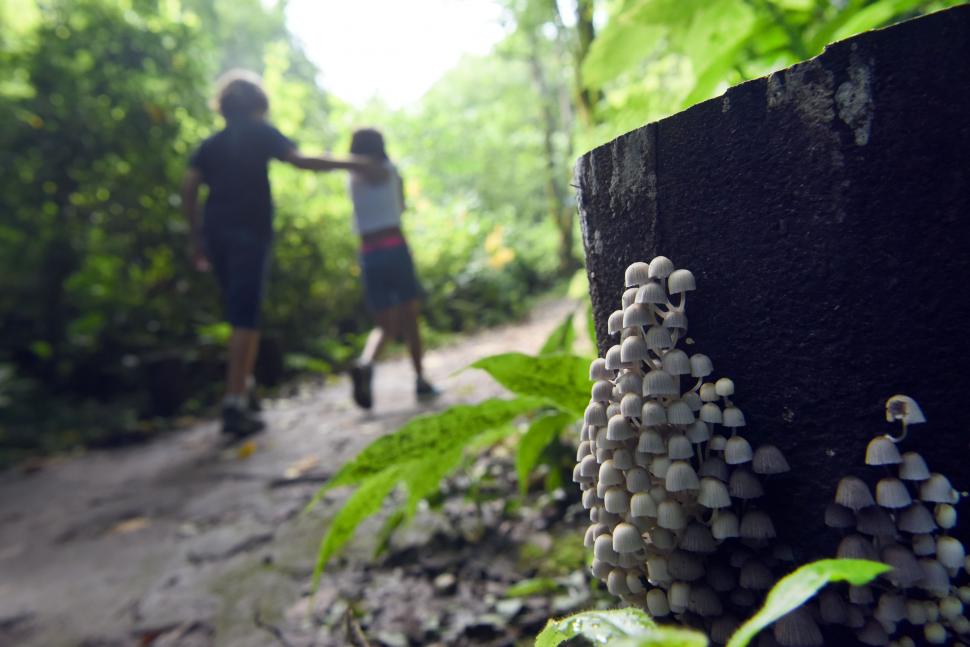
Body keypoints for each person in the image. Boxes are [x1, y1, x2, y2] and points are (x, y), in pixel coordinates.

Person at [181, 70, 384, 436]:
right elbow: (302, 160)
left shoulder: (211, 145)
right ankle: (234, 402)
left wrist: (195, 238)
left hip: (216, 235)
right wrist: (354, 163)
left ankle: (246, 390)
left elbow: (190, 185)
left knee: (237, 311)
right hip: (250, 233)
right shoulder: (261, 132)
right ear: (258, 105)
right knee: (246, 316)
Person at [347, 128, 439, 409]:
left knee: (384, 324)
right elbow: (401, 208)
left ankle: (366, 364)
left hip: (369, 253)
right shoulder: (389, 170)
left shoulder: (351, 177)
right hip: (394, 247)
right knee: (409, 318)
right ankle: (421, 380)